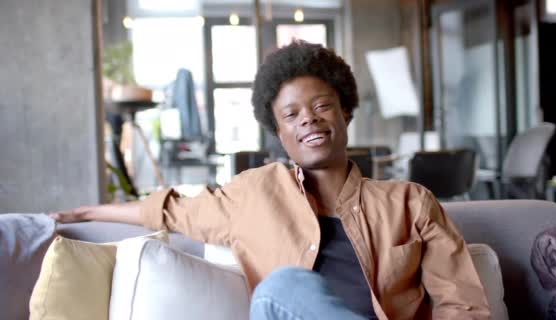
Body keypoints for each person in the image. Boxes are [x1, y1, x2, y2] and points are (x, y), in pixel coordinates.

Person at [52, 41, 490, 320]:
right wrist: (85, 212)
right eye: (292, 115)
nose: (310, 121)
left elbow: (462, 303)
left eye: (322, 106)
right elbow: (167, 209)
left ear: (345, 112)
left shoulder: (410, 202)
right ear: (279, 133)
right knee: (283, 286)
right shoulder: (252, 193)